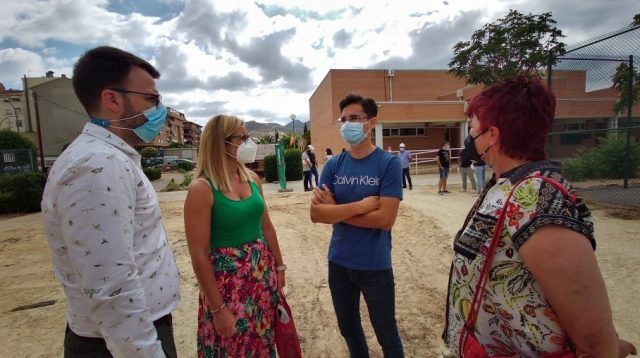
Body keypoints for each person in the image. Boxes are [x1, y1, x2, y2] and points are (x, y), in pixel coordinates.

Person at [443, 76, 637, 356]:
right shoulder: (506, 184)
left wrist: (609, 348)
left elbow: (593, 336)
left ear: (492, 135)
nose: (470, 137)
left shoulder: (538, 197)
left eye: (473, 128)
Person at [41, 46, 180, 357]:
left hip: (124, 336)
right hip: (115, 345)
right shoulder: (97, 165)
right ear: (112, 99)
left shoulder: (112, 158)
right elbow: (110, 285)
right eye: (151, 99)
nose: (161, 110)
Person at [310, 94, 405, 357]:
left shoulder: (388, 164)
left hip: (375, 264)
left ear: (371, 123)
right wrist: (361, 207)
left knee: (387, 334)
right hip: (339, 262)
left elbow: (386, 219)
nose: (347, 124)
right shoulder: (334, 164)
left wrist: (336, 211)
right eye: (344, 119)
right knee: (349, 330)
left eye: (354, 118)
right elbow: (316, 214)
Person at [184, 115, 286, 356]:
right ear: (221, 142)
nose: (248, 143)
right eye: (242, 137)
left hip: (261, 278)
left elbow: (267, 227)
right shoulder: (202, 189)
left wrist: (280, 267)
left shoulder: (252, 180)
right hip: (228, 288)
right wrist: (218, 309)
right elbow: (198, 254)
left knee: (262, 343)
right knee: (231, 347)